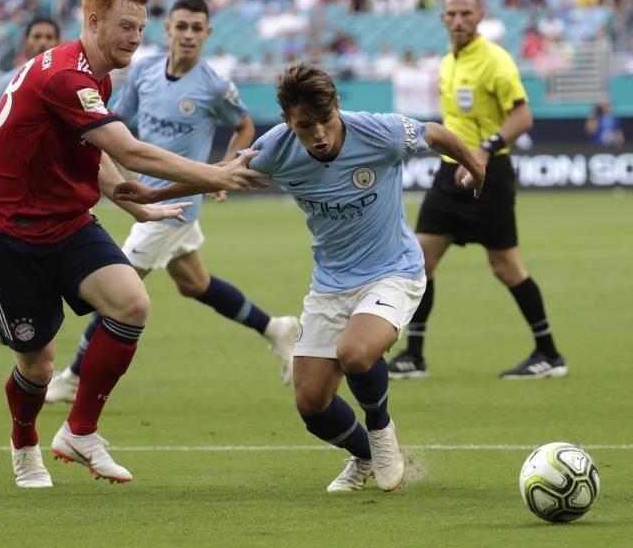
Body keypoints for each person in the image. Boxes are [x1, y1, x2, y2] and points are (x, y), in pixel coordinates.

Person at [113, 62, 485, 493]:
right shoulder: (274, 150)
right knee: (311, 404)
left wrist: (476, 168)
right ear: (288, 121)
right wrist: (153, 193)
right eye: (305, 126)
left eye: (326, 121)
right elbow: (220, 174)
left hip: (393, 271)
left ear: (338, 107)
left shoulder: (378, 133)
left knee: (357, 353)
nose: (320, 135)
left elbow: (435, 133)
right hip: (331, 283)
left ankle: (382, 435)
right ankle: (363, 456)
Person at [0, 0, 264, 489]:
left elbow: (95, 151)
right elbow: (129, 149)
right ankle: (25, 442)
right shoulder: (67, 77)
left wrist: (133, 203)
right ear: (94, 21)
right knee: (38, 365)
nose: (135, 37)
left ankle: (80, 431)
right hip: (5, 230)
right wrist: (218, 174)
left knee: (131, 302)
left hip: (66, 220)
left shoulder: (95, 75)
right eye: (126, 25)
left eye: (141, 28)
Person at [45, 0, 297, 403]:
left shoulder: (214, 85)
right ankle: (275, 328)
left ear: (208, 34)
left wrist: (221, 172)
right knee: (194, 283)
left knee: (115, 290)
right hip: (148, 197)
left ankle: (72, 378)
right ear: (168, 30)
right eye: (182, 26)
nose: (188, 35)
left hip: (170, 206)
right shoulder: (144, 70)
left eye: (197, 28)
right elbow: (114, 119)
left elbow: (244, 124)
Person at [386, 0, 567, 380]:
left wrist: (482, 153)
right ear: (442, 19)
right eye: (451, 14)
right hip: (450, 174)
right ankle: (414, 355)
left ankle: (549, 353)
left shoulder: (496, 61)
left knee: (506, 267)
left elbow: (523, 118)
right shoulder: (448, 63)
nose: (458, 21)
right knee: (419, 259)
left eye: (466, 13)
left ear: (481, 15)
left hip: (490, 174)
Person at [0, 18, 62, 347]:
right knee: (14, 257)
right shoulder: (13, 81)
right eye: (37, 36)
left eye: (49, 36)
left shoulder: (69, 81)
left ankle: (24, 323)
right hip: (15, 188)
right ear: (26, 43)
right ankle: (9, 321)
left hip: (53, 186)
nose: (43, 42)